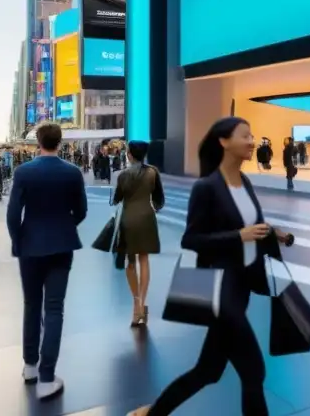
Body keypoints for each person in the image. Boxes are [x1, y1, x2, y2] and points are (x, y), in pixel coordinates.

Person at [127, 117, 295, 416]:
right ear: (223, 142)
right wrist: (238, 236)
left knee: (208, 370)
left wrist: (271, 231)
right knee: (254, 371)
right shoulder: (206, 187)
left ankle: (152, 414)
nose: (252, 141)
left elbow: (250, 224)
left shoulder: (244, 182)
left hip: (242, 287)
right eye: (245, 135)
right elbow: (191, 239)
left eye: (252, 135)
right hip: (220, 291)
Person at [7, 122, 88, 400]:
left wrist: (18, 241)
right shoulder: (72, 172)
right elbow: (81, 211)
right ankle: (46, 377)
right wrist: (65, 226)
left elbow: (13, 213)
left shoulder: (23, 172)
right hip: (62, 246)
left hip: (29, 245)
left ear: (37, 141)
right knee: (54, 309)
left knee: (31, 305)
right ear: (60, 142)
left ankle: (30, 366)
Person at [113, 141, 165, 326]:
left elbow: (116, 199)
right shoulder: (153, 172)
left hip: (128, 220)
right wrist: (152, 208)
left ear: (129, 154)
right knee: (144, 260)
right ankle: (143, 302)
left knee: (130, 263)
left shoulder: (123, 175)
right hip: (146, 219)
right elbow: (159, 199)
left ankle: (136, 304)